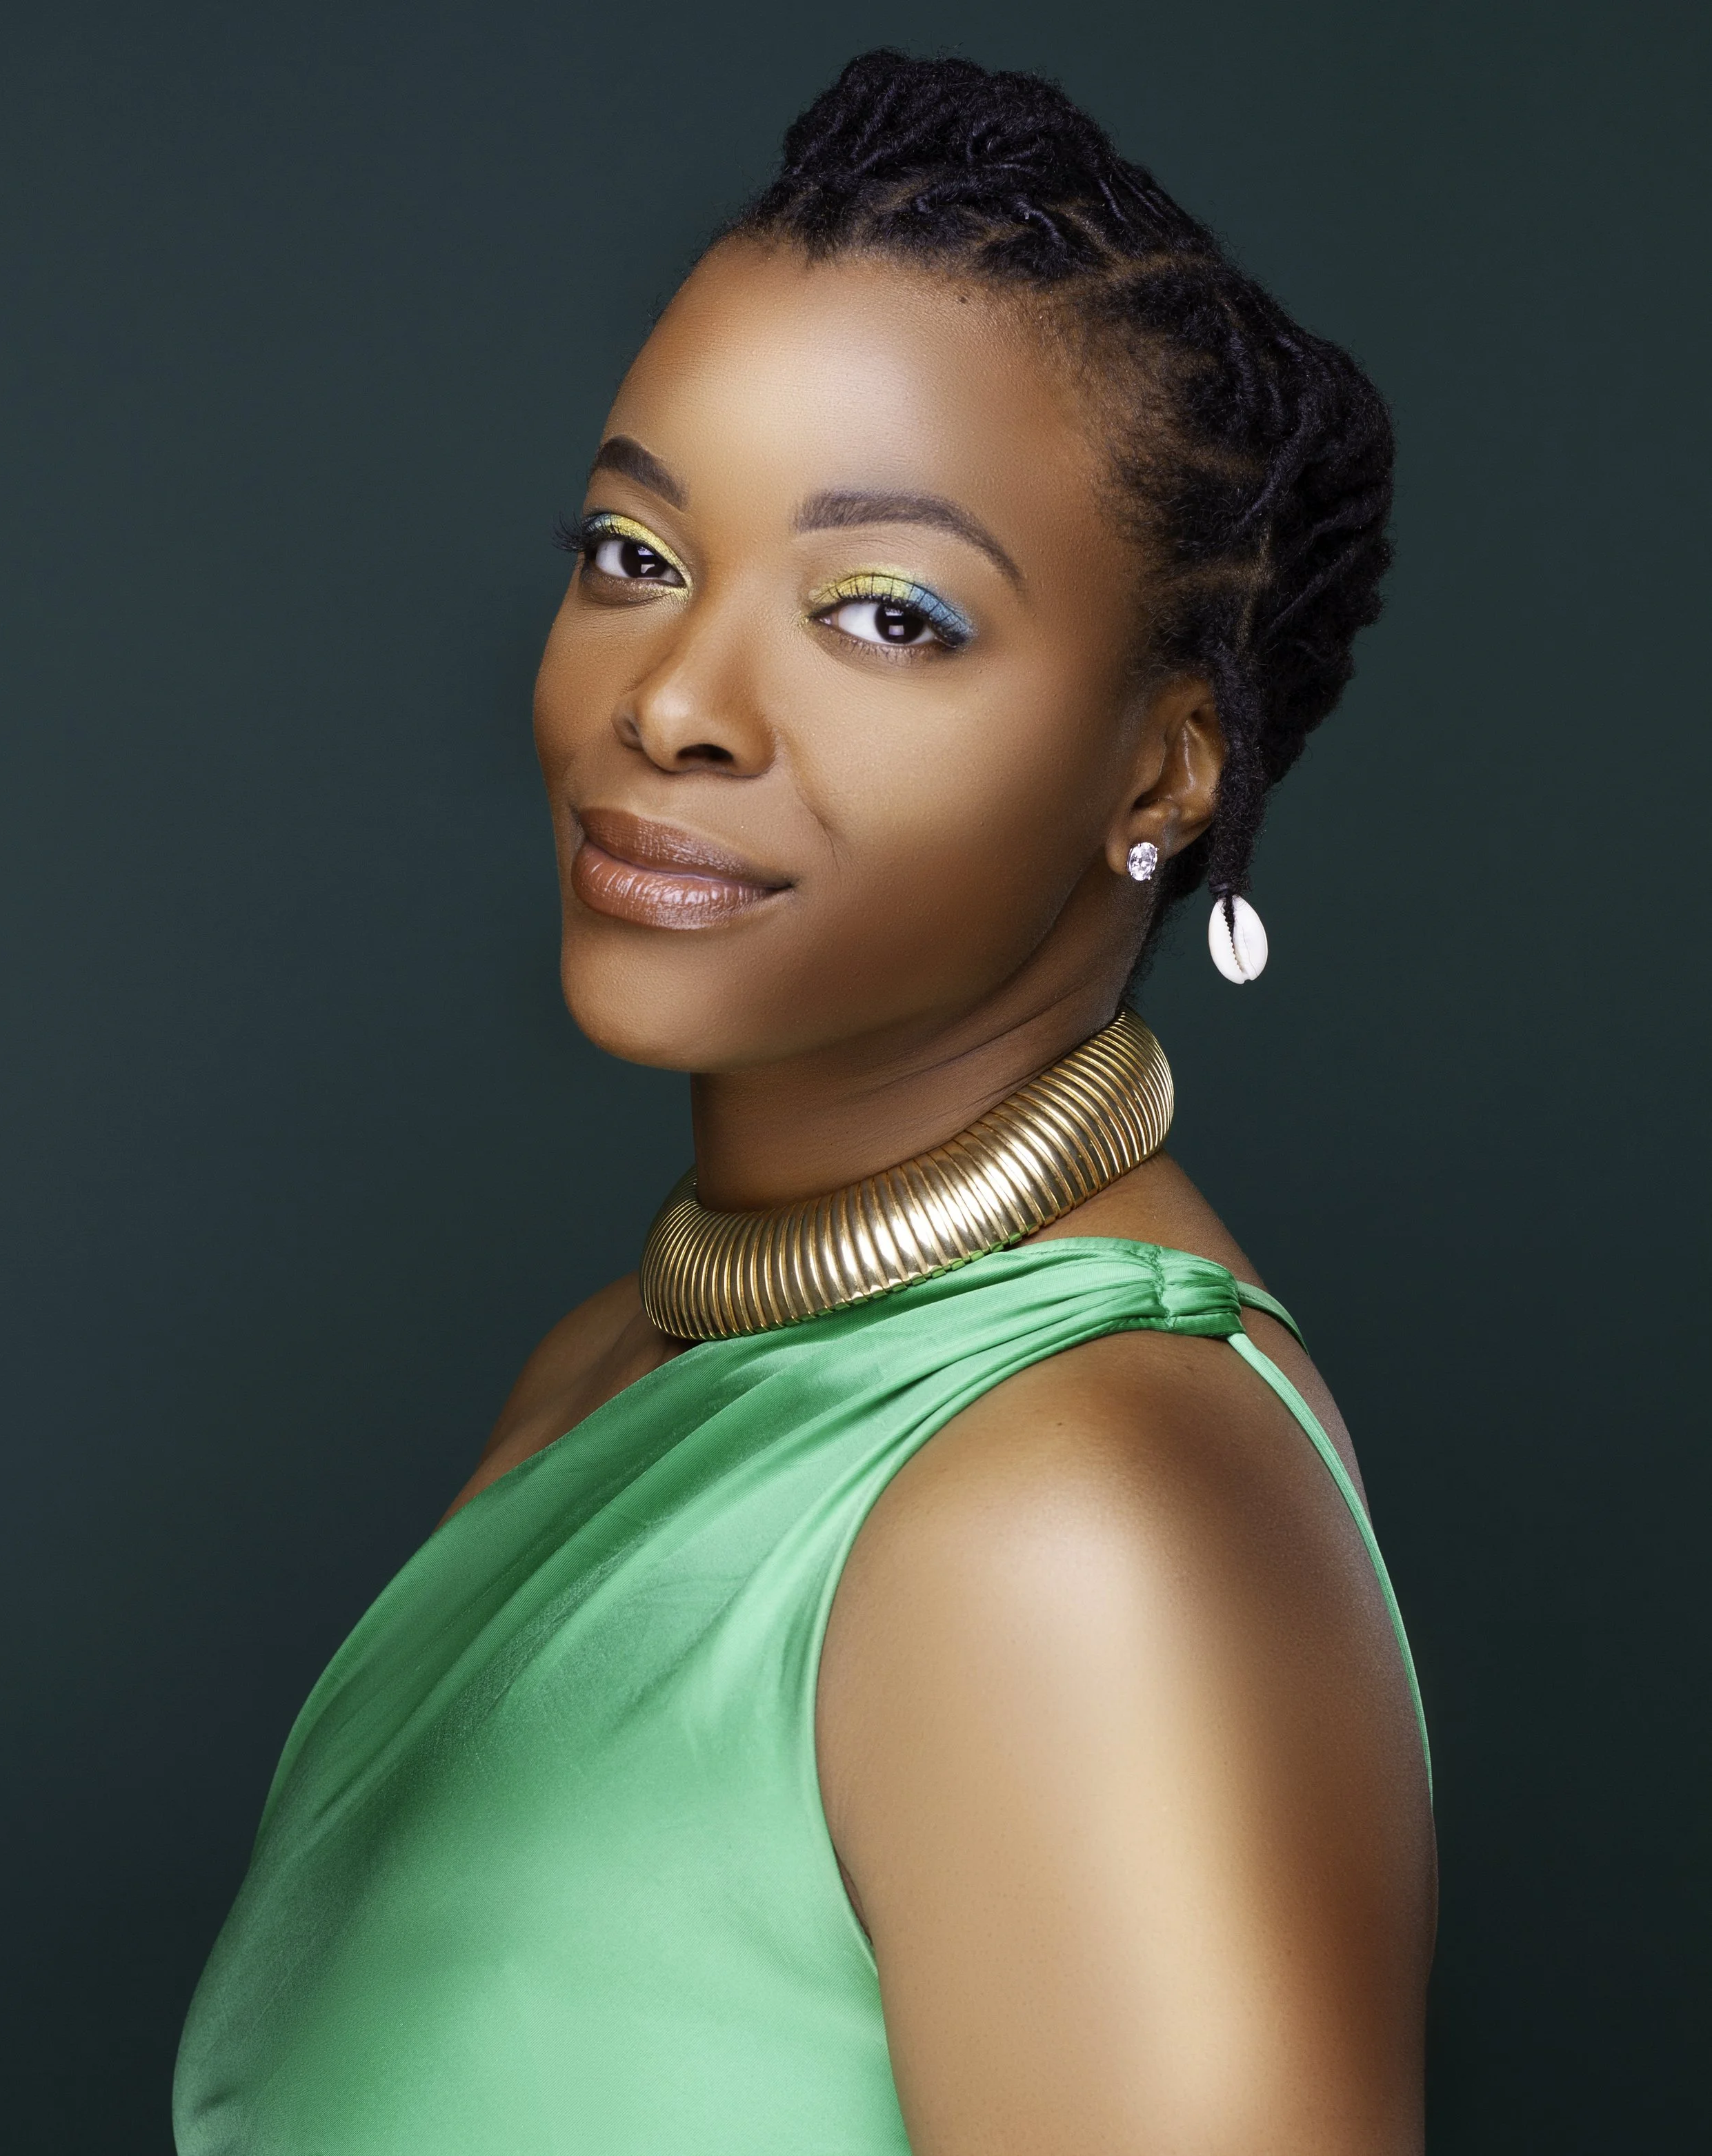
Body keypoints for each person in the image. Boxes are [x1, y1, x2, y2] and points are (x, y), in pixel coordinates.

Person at [174, 49, 1435, 2156]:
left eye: (884, 614)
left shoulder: (1070, 1518)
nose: (670, 700)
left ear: (1164, 769)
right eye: (633, 549)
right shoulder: (620, 1362)